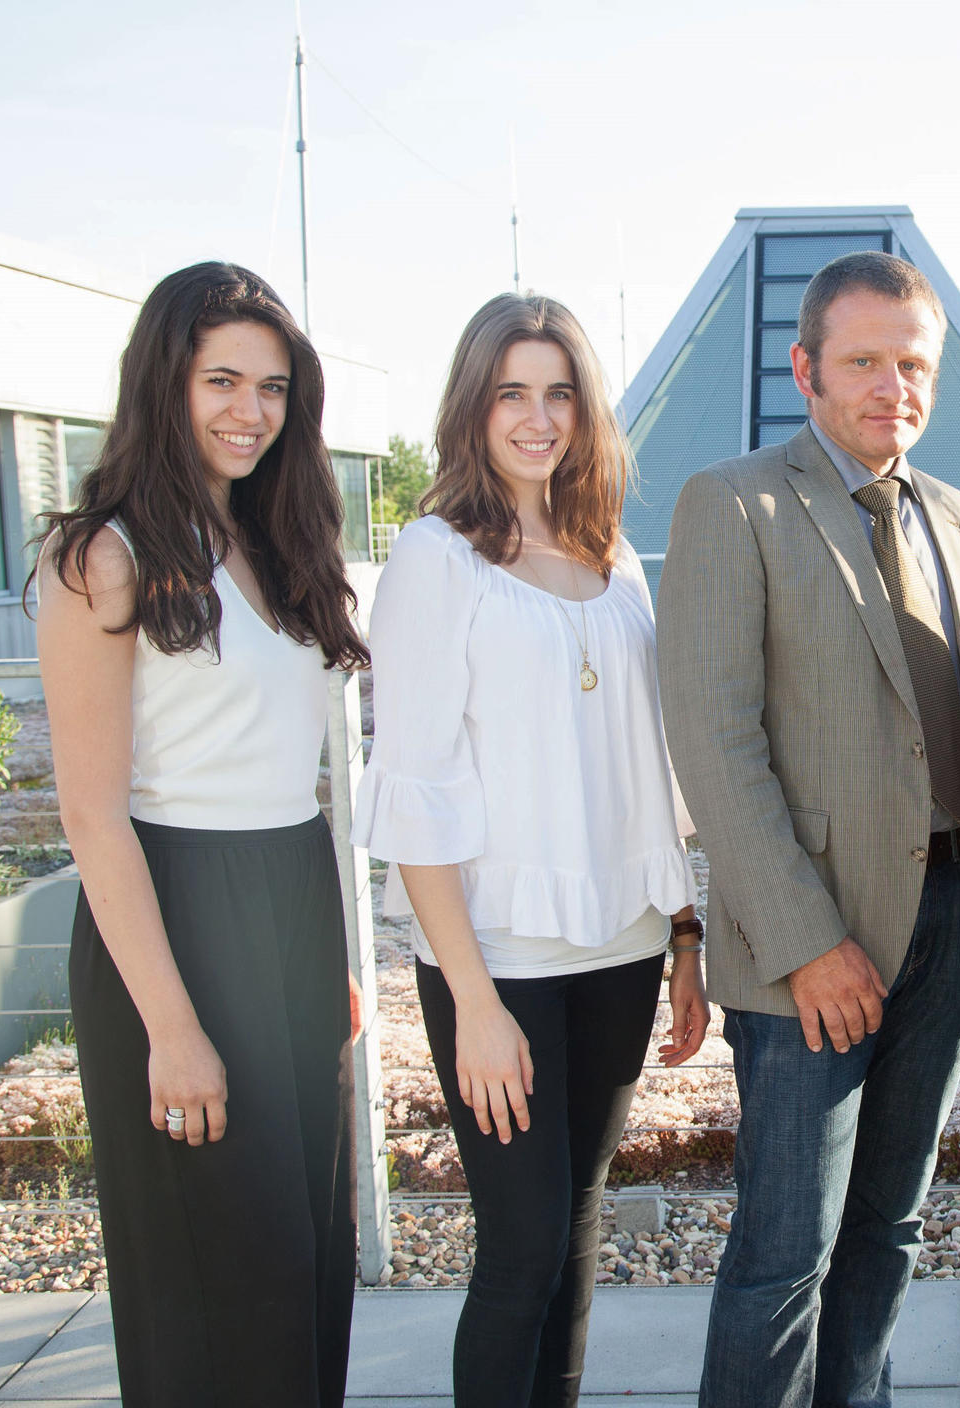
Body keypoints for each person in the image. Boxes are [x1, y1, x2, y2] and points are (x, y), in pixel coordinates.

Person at [658, 249, 960, 1408]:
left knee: (890, 1230)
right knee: (782, 1255)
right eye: (863, 361)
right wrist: (808, 938)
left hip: (952, 916)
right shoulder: (735, 503)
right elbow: (714, 739)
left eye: (911, 364)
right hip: (810, 942)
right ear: (804, 366)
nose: (890, 387)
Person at [353, 294, 707, 1408]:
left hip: (623, 948)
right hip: (496, 961)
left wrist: (686, 932)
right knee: (518, 1250)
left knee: (577, 1231)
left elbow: (656, 768)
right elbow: (411, 793)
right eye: (513, 391)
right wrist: (473, 1001)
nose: (538, 415)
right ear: (474, 405)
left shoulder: (616, 559)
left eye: (559, 391)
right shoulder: (434, 556)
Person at [37, 261, 368, 1406]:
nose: (250, 410)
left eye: (273, 387)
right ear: (164, 383)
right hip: (170, 917)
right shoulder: (107, 553)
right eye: (221, 379)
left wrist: (326, 959)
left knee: (310, 1265)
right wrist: (169, 1029)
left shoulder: (277, 543)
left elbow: (301, 778)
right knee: (217, 1277)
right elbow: (90, 812)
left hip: (288, 901)